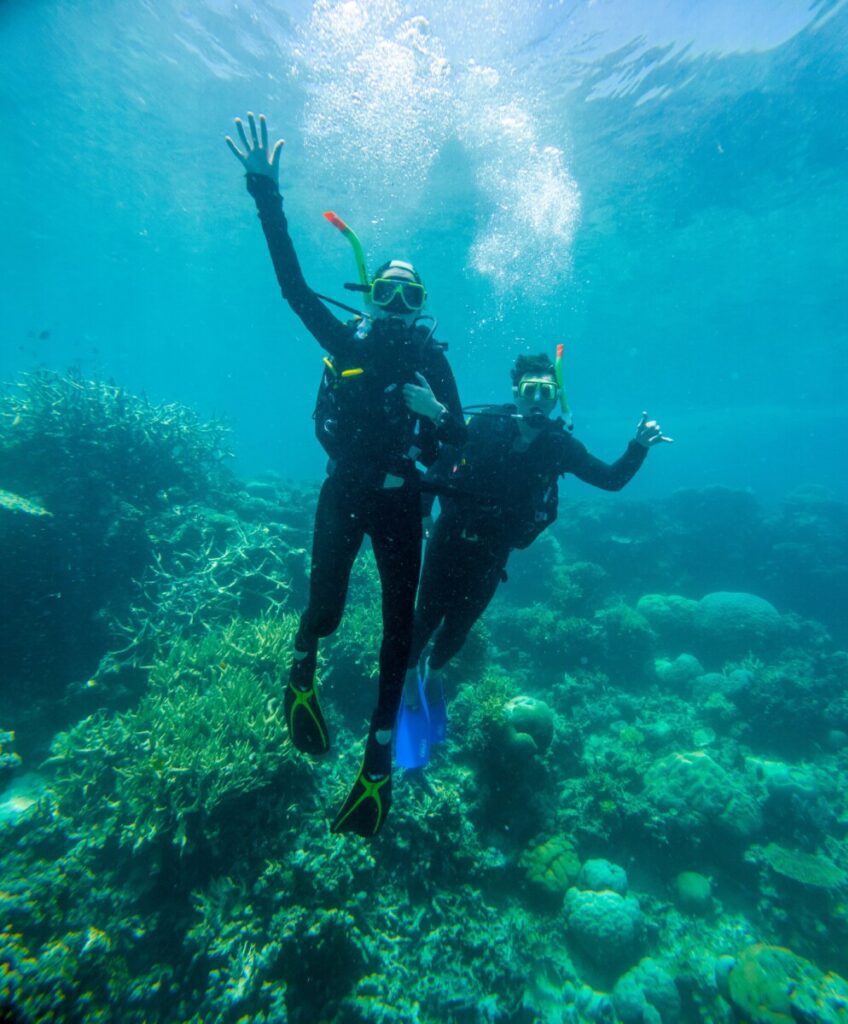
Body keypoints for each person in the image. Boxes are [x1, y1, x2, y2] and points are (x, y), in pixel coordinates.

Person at [226, 112, 465, 836]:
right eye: (385, 294)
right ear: (368, 297)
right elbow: (295, 289)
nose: (395, 308)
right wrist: (265, 194)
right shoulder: (346, 337)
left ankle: (378, 766)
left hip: (402, 506)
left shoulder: (433, 360)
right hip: (345, 491)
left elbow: (458, 444)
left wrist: (440, 414)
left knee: (399, 635)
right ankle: (301, 671)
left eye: (410, 298)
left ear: (423, 307)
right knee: (326, 609)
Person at [396, 351, 671, 767]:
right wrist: (423, 515)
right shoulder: (486, 423)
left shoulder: (559, 446)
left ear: (556, 396)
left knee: (462, 624)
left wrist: (639, 446)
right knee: (426, 616)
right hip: (450, 537)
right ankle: (407, 680)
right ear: (516, 393)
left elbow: (611, 479)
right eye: (530, 391)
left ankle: (434, 673)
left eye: (547, 391)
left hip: (495, 550)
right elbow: (439, 462)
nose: (538, 400)